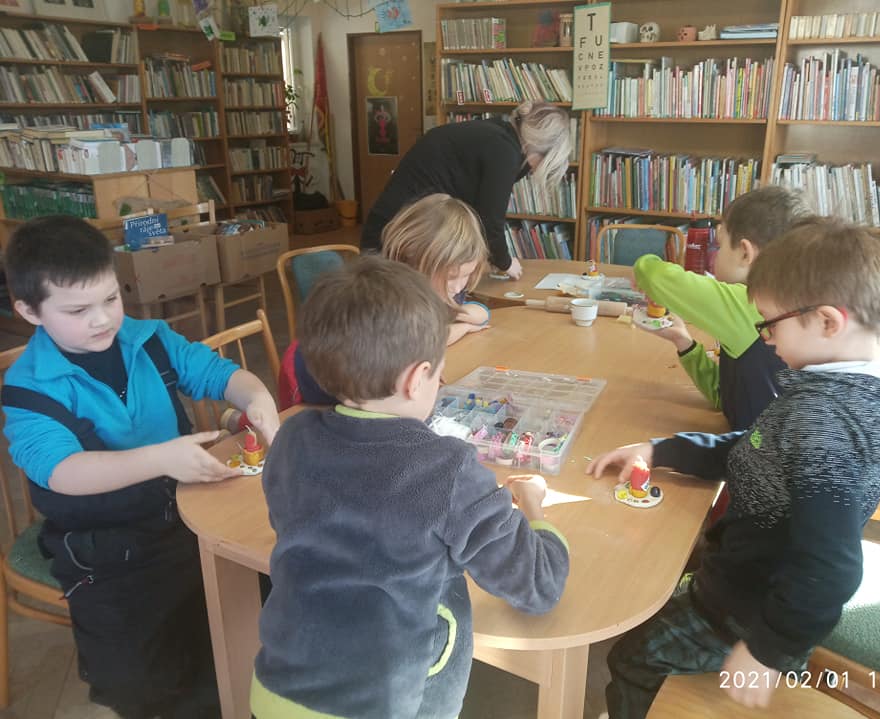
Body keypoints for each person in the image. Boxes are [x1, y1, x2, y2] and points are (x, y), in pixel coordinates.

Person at [588, 218, 880, 718]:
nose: (763, 338)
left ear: (828, 322)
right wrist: (665, 451)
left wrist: (768, 650)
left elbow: (831, 567)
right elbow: (759, 446)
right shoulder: (857, 390)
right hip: (751, 581)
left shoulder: (823, 420)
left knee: (633, 659)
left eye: (769, 322)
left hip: (751, 606)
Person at [252, 256, 570, 719]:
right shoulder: (448, 468)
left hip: (274, 692)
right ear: (417, 378)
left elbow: (294, 523)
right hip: (382, 704)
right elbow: (538, 584)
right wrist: (535, 509)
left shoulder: (293, 438)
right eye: (438, 372)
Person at [1, 216, 281, 719]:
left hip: (184, 514)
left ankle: (238, 691)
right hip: (107, 545)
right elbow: (62, 471)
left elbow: (219, 375)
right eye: (78, 310)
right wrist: (162, 459)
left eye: (111, 298)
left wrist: (258, 399)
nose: (102, 320)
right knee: (148, 678)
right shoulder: (29, 388)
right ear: (29, 310)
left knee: (252, 607)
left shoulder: (149, 339)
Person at [633, 185, 812, 431]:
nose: (714, 255)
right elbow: (726, 398)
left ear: (745, 254)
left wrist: (644, 265)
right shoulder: (784, 304)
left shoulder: (747, 302)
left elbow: (652, 276)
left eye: (720, 245)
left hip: (755, 451)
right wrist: (684, 343)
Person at [291, 193, 491, 407]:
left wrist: (458, 317)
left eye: (466, 275)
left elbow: (481, 314)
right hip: (328, 395)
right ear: (413, 262)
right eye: (451, 277)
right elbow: (406, 353)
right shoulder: (382, 304)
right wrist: (458, 329)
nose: (458, 287)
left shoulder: (433, 292)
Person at [360, 101, 572, 280]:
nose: (535, 170)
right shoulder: (504, 152)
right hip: (397, 240)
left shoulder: (495, 134)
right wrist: (506, 263)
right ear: (540, 148)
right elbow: (489, 222)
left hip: (398, 231)